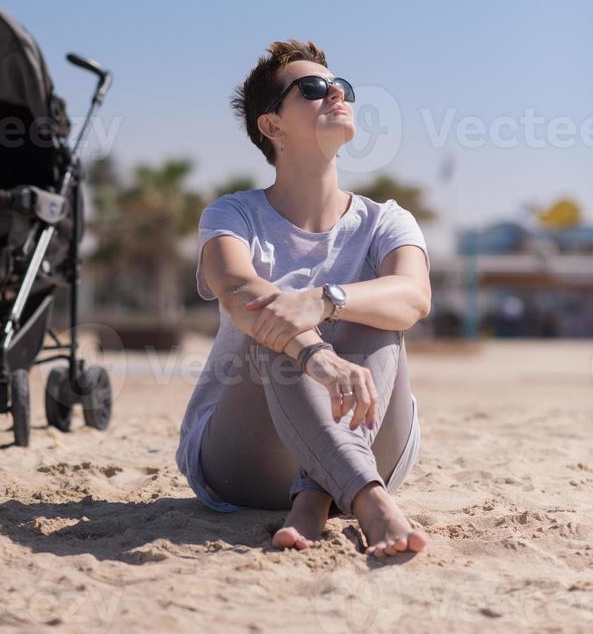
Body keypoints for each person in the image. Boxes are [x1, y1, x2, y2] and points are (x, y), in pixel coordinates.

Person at [175, 40, 431, 557]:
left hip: (373, 437)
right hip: (246, 461)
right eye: (313, 88)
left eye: (342, 87)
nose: (336, 92)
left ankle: (315, 498)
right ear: (272, 126)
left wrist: (325, 299)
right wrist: (316, 354)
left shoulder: (388, 220)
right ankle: (370, 502)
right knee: (270, 314)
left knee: (374, 308)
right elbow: (237, 288)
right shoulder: (232, 215)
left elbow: (414, 296)